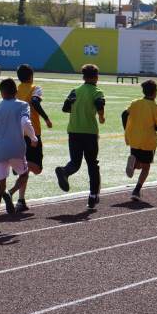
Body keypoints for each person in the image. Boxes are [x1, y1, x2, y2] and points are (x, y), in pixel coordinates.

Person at [0, 78, 36, 234]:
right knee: (24, 174)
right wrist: (33, 138)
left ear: (1, 93)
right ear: (16, 91)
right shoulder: (22, 105)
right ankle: (11, 192)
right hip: (16, 149)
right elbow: (25, 122)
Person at [55, 64, 105, 209]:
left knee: (75, 163)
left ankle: (64, 171)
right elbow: (99, 103)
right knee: (92, 164)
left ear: (83, 77)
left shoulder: (75, 91)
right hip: (89, 132)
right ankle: (93, 196)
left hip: (73, 131)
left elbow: (65, 108)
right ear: (96, 77)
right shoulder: (97, 91)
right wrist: (101, 117)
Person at [9, 64, 53, 212]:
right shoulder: (35, 88)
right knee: (37, 168)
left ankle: (20, 200)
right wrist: (46, 118)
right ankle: (20, 168)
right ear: (31, 76)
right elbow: (35, 101)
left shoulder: (15, 90)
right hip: (33, 133)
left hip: (16, 133)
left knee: (24, 171)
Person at [122, 79, 157, 201]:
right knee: (146, 167)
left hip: (134, 138)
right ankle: (136, 190)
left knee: (139, 163)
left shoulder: (135, 103)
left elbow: (124, 114)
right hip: (148, 141)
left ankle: (134, 162)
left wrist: (126, 129)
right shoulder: (156, 107)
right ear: (155, 92)